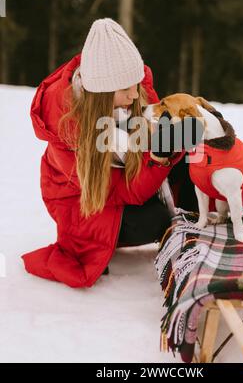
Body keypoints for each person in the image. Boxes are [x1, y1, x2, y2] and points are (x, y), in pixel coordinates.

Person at [21, 18, 189, 288]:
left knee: (188, 155)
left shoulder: (130, 88)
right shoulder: (68, 129)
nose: (136, 94)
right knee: (154, 219)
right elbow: (124, 192)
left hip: (121, 183)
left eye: (136, 84)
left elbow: (153, 133)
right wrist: (158, 159)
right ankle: (176, 232)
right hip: (85, 205)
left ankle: (196, 230)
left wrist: (177, 139)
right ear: (101, 94)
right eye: (126, 90)